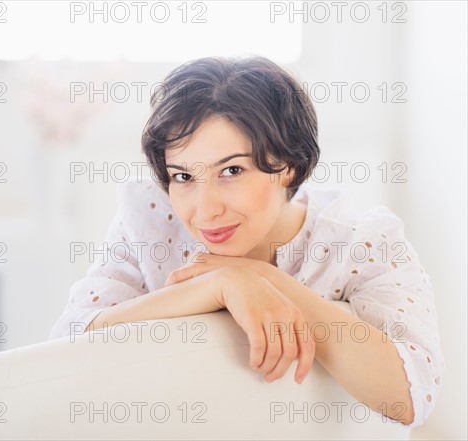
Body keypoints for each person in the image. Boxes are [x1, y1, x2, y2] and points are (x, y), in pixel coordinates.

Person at [49, 56, 444, 428]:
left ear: (288, 165)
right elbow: (66, 346)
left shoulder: (360, 242)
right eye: (183, 177)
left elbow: (414, 395)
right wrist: (219, 285)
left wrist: (262, 279)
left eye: (232, 170)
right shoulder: (150, 218)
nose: (205, 211)